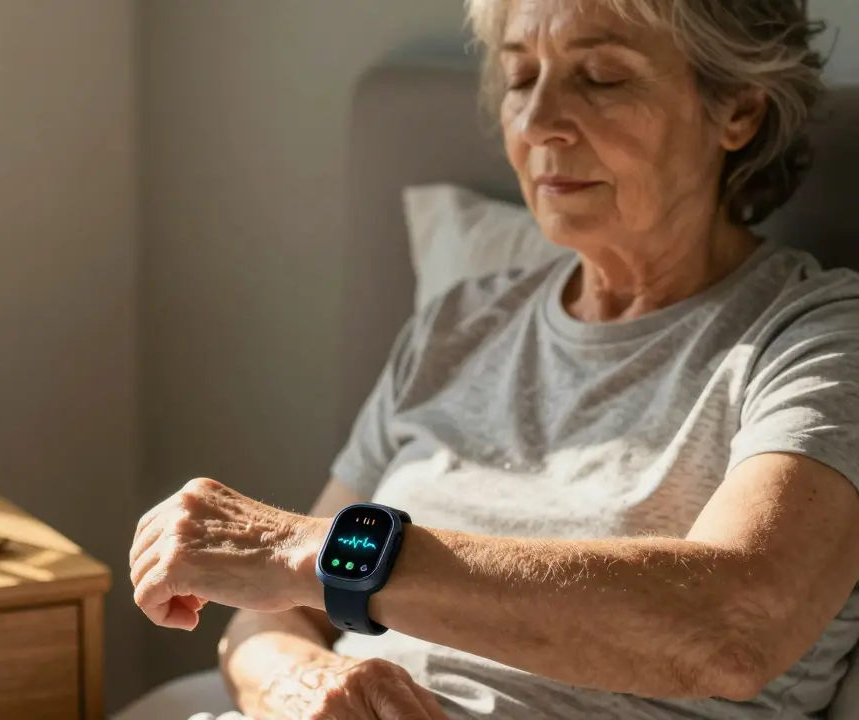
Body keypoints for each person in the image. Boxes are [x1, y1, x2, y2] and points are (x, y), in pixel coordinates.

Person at [128, 0, 859, 718]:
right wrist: (302, 685)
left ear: (739, 110)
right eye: (519, 78)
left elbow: (731, 625)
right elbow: (270, 619)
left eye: (602, 76)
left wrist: (300, 549)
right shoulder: (459, 325)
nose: (538, 122)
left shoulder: (816, 338)